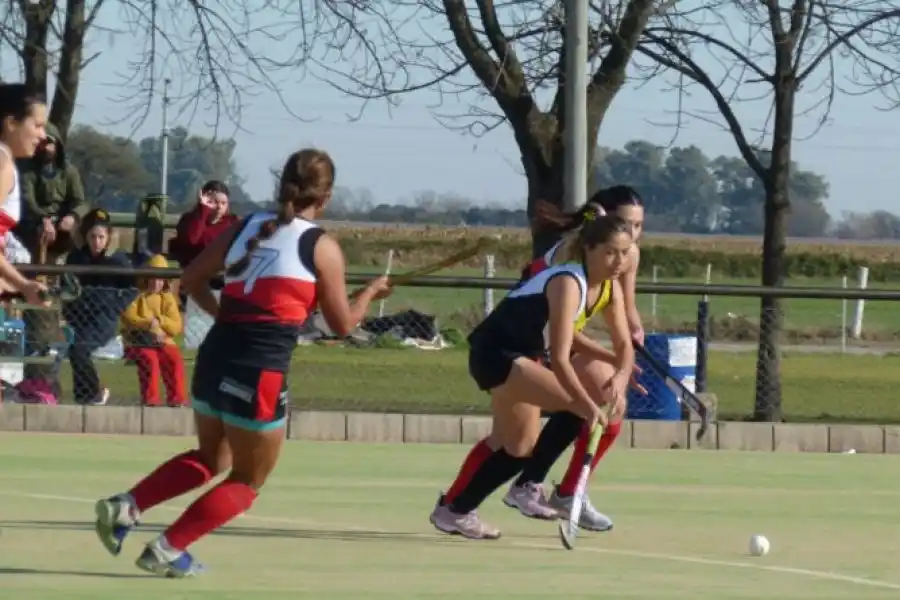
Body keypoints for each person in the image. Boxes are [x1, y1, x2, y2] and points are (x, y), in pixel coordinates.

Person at [92, 148, 392, 577]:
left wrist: (222, 317)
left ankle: (127, 506)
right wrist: (370, 294)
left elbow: (191, 279)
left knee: (211, 458)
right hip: (260, 369)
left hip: (216, 353)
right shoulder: (320, 245)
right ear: (325, 197)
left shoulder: (245, 226)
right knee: (249, 478)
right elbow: (342, 324)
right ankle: (166, 548)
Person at [429, 214, 635, 540]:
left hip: (522, 357)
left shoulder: (609, 288)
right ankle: (528, 486)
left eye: (625, 252)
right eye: (610, 252)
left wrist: (621, 377)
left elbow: (625, 344)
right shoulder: (569, 281)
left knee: (518, 448)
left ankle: (454, 511)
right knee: (575, 406)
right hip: (496, 353)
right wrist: (589, 407)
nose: (619, 261)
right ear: (589, 249)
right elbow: (562, 356)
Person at [503, 185, 646, 531]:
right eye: (626, 224)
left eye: (639, 226)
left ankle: (569, 492)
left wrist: (629, 347)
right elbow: (559, 331)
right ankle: (470, 502)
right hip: (525, 341)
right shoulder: (572, 259)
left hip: (562, 341)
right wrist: (611, 355)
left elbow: (625, 307)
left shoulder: (626, 254)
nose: (633, 234)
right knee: (513, 443)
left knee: (612, 401)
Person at [14, 121, 87, 399]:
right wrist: (44, 219)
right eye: (44, 142)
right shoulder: (28, 172)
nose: (47, 147)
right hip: (35, 232)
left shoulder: (69, 172)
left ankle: (62, 276)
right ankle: (35, 381)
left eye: (51, 142)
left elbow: (80, 200)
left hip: (63, 234)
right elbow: (28, 201)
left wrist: (71, 217)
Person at [63, 208, 137, 405]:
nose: (97, 242)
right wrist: (68, 308)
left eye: (101, 237)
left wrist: (114, 307)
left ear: (109, 237)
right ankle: (84, 397)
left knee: (79, 349)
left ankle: (93, 392)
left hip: (103, 320)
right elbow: (67, 285)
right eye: (93, 236)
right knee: (76, 351)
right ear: (85, 236)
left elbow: (132, 289)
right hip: (78, 317)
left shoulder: (118, 260)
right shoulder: (76, 258)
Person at [0, 83, 48, 305]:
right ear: (11, 123)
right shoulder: (3, 166)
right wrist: (23, 284)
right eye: (37, 125)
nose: (43, 135)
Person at [120, 254, 187, 408]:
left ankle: (177, 399)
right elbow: (129, 317)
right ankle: (151, 400)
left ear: (164, 280)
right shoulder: (137, 295)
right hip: (137, 341)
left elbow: (176, 326)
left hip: (162, 341)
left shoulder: (168, 298)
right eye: (152, 278)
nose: (155, 282)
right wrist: (150, 323)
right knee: (150, 360)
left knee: (174, 358)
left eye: (159, 279)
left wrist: (160, 321)